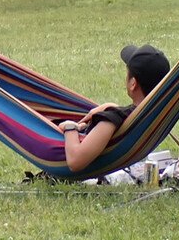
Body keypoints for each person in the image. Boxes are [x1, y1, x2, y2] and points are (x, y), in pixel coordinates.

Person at [57, 43, 171, 172]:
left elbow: (75, 161)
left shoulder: (111, 120)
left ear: (133, 83)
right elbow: (132, 115)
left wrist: (70, 127)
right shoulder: (158, 113)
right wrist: (111, 107)